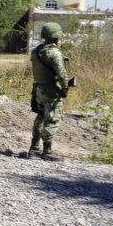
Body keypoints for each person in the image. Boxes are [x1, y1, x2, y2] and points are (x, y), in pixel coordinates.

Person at [22, 22, 71, 161]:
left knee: (40, 117)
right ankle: (47, 151)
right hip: (51, 90)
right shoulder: (54, 52)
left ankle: (33, 149)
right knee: (52, 119)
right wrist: (65, 89)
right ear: (57, 36)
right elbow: (62, 75)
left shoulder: (36, 50)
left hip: (38, 89)